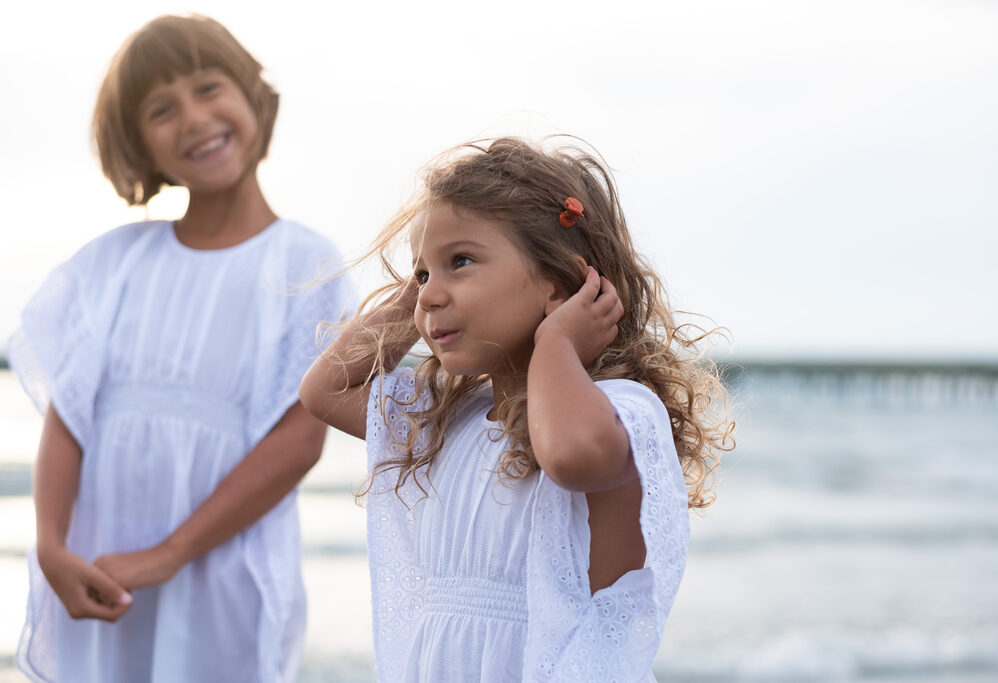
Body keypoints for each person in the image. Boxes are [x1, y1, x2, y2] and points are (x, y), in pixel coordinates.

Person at [300, 136, 733, 681]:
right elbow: (326, 390)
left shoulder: (619, 409)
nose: (430, 295)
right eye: (423, 273)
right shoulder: (448, 419)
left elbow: (570, 455)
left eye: (461, 261)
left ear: (560, 281)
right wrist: (420, 290)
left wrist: (557, 345)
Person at [8, 15, 355, 683]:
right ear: (137, 143)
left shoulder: (306, 263)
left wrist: (169, 553)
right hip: (101, 572)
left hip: (221, 578)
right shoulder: (112, 265)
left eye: (208, 87)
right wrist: (50, 545)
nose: (194, 118)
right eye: (161, 109)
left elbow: (298, 438)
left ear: (253, 94)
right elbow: (69, 416)